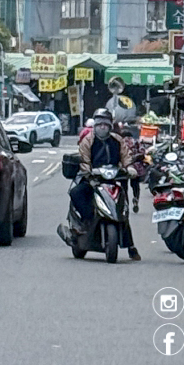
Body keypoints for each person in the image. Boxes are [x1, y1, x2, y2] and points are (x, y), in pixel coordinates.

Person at [71, 109, 140, 260]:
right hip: (92, 180)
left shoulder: (117, 140)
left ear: (110, 126)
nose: (102, 127)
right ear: (95, 125)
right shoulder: (87, 141)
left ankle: (131, 246)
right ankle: (86, 221)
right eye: (99, 124)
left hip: (113, 180)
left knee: (123, 207)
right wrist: (88, 173)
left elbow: (126, 156)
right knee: (76, 192)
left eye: (105, 124)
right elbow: (84, 160)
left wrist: (130, 168)